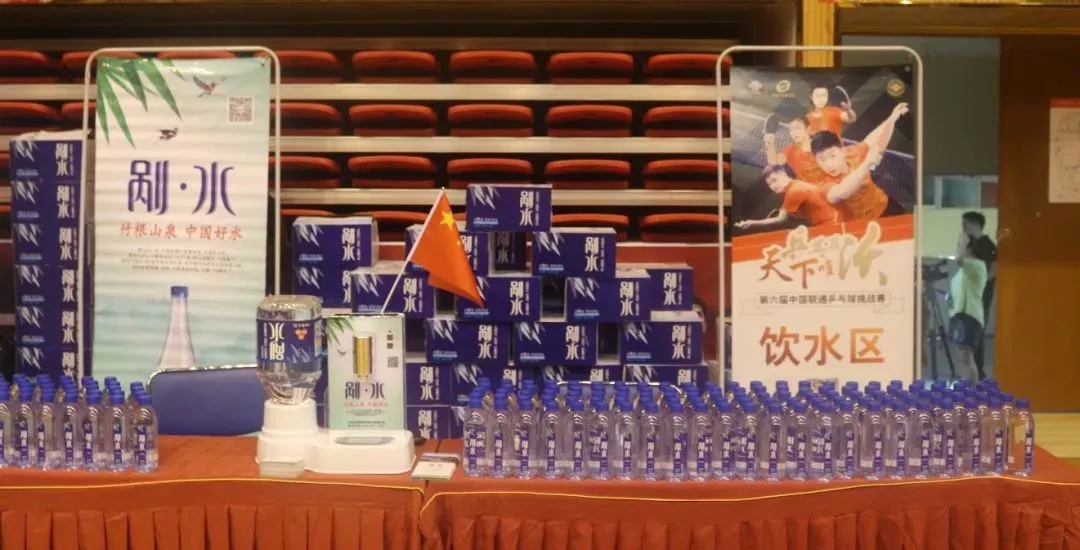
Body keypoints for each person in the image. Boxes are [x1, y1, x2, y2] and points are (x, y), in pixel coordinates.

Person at [735, 147, 884, 231]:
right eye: (770, 184)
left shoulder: (794, 191)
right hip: (832, 222)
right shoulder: (792, 188)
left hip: (833, 225)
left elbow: (780, 219)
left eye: (775, 180)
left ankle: (867, 165)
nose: (773, 185)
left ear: (783, 174)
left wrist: (751, 223)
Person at [809, 102, 909, 222]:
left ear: (842, 150)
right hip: (859, 224)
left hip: (884, 205)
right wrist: (866, 164)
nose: (829, 164)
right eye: (822, 159)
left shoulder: (853, 153)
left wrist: (892, 118)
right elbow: (841, 192)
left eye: (832, 156)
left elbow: (873, 138)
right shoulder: (820, 182)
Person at [948, 230, 989, 383]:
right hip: (958, 316)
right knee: (961, 358)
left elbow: (959, 259)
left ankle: (972, 390)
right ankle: (965, 386)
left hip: (970, 316)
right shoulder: (961, 273)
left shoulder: (977, 265)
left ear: (970, 248)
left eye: (961, 244)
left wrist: (964, 243)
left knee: (966, 356)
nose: (958, 247)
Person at [962, 211, 997, 379]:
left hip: (981, 294)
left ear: (974, 224)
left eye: (965, 224)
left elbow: (995, 268)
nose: (963, 227)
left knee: (977, 330)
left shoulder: (987, 245)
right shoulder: (971, 243)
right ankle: (972, 370)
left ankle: (979, 370)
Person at [764, 115, 827, 185]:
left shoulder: (822, 144)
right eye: (791, 130)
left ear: (808, 129)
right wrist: (769, 144)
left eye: (798, 128)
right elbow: (774, 162)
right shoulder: (791, 150)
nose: (794, 133)